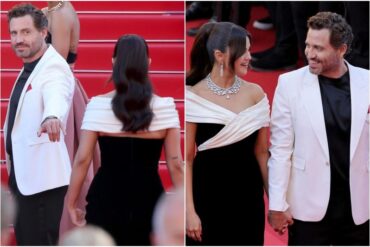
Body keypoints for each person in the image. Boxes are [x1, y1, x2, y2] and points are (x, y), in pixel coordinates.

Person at [66, 34, 184, 245]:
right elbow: (176, 164)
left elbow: (82, 159)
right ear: (148, 62)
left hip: (106, 199)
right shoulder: (165, 107)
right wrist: (187, 206)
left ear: (114, 62)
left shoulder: (98, 105)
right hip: (149, 199)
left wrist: (71, 201)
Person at [268, 12, 369, 245]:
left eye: (319, 48)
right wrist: (276, 204)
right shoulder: (289, 84)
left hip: (359, 208)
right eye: (307, 45)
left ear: (342, 49)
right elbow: (281, 150)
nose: (310, 54)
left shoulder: (367, 82)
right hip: (308, 207)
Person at [186, 22, 270, 245]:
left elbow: (262, 152)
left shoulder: (256, 94)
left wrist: (276, 202)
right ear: (220, 56)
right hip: (207, 194)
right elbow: (186, 159)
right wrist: (189, 211)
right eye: (243, 51)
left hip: (248, 196)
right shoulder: (194, 95)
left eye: (250, 50)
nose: (249, 57)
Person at [4, 3, 75, 245]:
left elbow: (57, 92)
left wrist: (52, 116)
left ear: (43, 32)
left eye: (26, 32)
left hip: (42, 185)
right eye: (14, 33)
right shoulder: (33, 65)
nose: (18, 40)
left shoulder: (53, 66)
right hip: (26, 180)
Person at [41, 0, 100, 236]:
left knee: (63, 160)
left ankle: (64, 226)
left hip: (60, 93)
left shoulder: (63, 13)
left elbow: (57, 62)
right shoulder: (51, 11)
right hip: (49, 89)